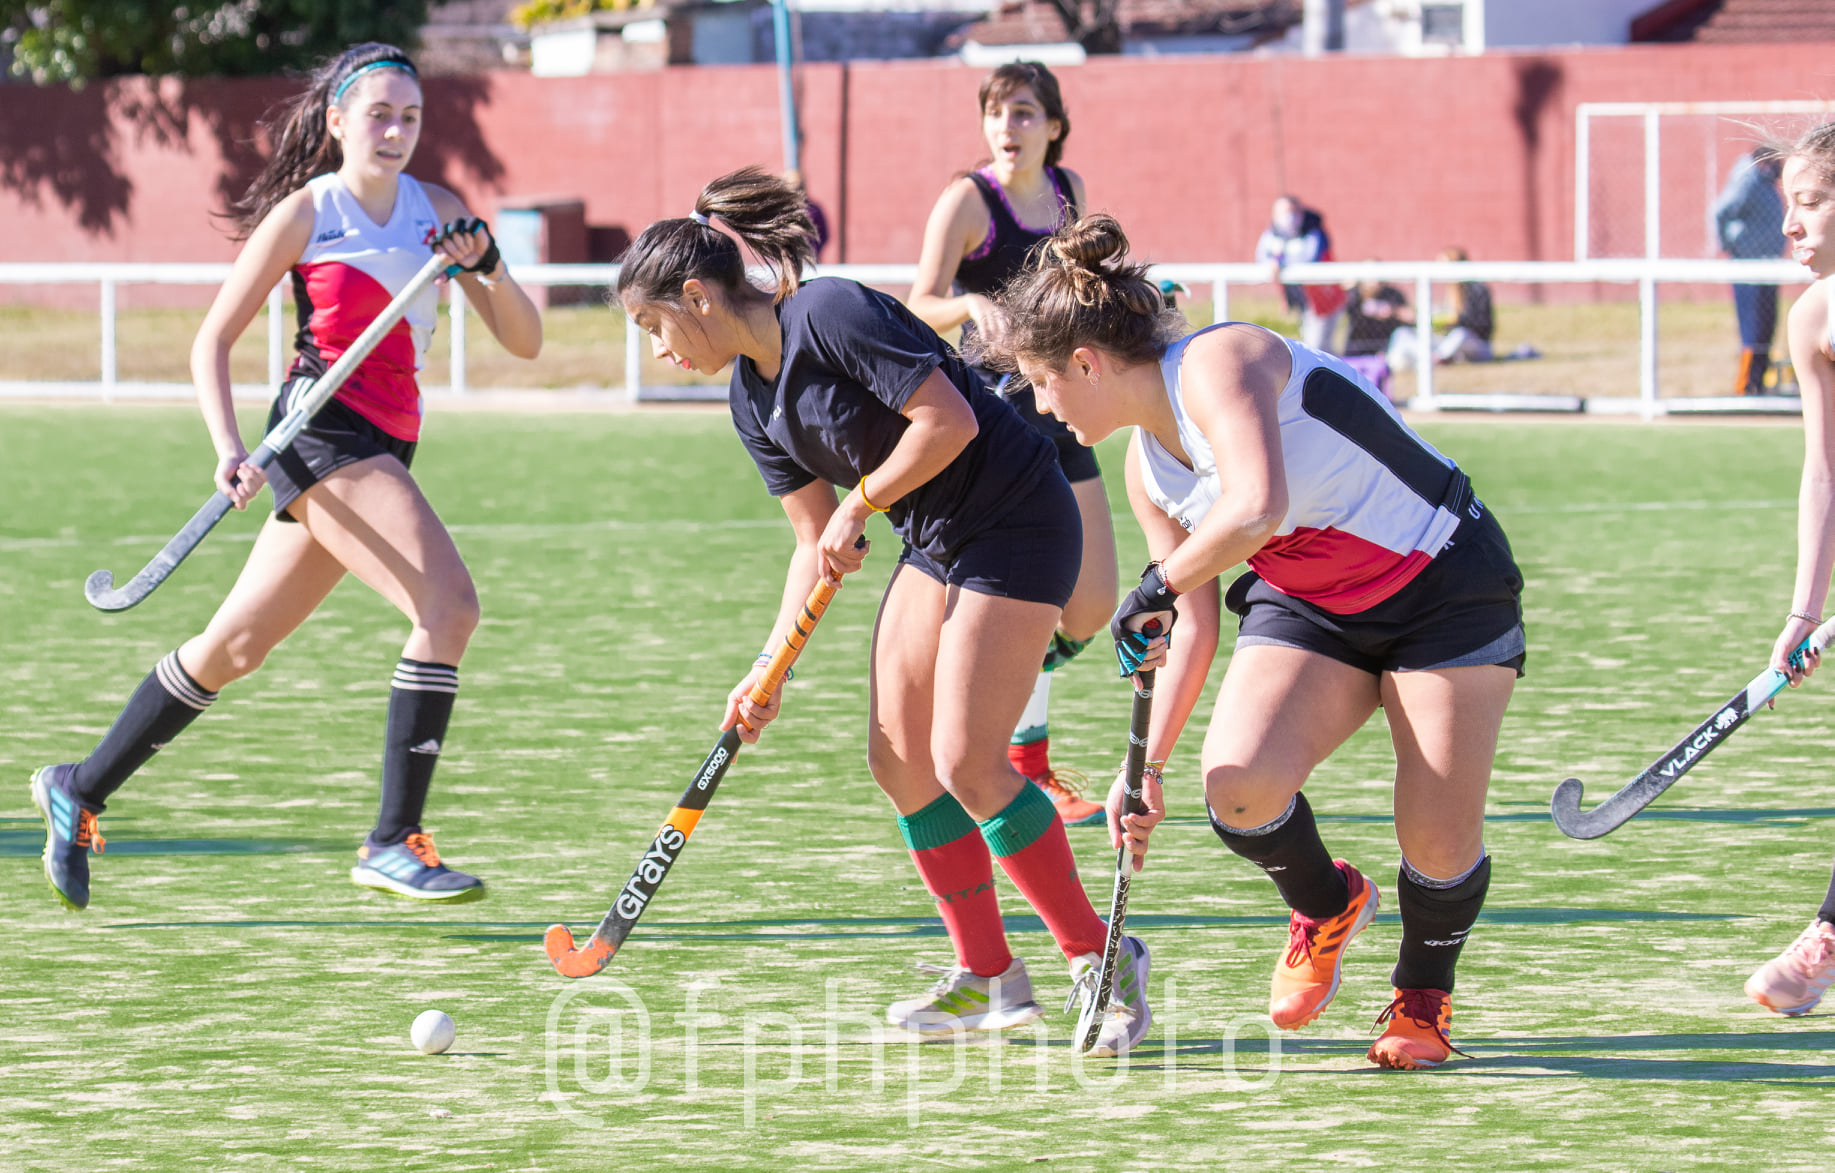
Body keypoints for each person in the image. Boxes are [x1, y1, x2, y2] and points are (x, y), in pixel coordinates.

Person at [614, 167, 1150, 1056]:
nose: (659, 348)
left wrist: (864, 502)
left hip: (1016, 517)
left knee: (967, 759)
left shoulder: (829, 312)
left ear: (697, 296)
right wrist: (767, 666)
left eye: (653, 326)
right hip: (936, 539)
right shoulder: (750, 397)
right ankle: (988, 977)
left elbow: (948, 424)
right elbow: (810, 539)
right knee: (900, 761)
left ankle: (1102, 955)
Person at [982, 214, 1525, 1070]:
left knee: (1435, 840)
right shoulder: (1144, 471)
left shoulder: (1218, 362)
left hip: (1443, 587)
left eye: (1041, 383)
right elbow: (1190, 622)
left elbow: (1254, 506)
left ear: (1085, 362)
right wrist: (1143, 771)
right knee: (1237, 786)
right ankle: (1328, 901)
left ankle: (1422, 993)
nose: (1041, 406)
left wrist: (1153, 585)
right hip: (1312, 602)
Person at [29, 43, 543, 911]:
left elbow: (525, 341)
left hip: (386, 442)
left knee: (232, 648)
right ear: (337, 119)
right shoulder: (310, 213)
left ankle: (78, 785)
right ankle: (393, 839)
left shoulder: (441, 213)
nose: (395, 131)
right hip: (321, 435)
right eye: (378, 113)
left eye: (410, 117)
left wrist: (485, 263)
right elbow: (212, 341)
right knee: (448, 607)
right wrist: (226, 445)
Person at [909, 61, 1118, 828]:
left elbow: (1079, 288)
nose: (1008, 127)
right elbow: (916, 303)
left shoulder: (1068, 193)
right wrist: (965, 299)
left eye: (1025, 113)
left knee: (1090, 603)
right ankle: (1020, 765)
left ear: (1053, 126)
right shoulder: (967, 199)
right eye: (996, 113)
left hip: (1059, 404)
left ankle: (982, 709)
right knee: (1020, 603)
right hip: (991, 424)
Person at [1745, 123, 1835, 1014]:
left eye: (1808, 203)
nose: (1792, 228)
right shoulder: (1813, 317)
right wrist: (1802, 613)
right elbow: (1824, 470)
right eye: (1789, 207)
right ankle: (1829, 936)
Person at [1714, 149, 1787, 396]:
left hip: (1767, 265)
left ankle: (1759, 383)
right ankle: (1746, 385)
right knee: (1753, 327)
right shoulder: (1747, 178)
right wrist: (1728, 244)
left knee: (1768, 324)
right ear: (1766, 160)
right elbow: (1721, 210)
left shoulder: (1765, 182)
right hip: (1749, 265)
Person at [1254, 195, 1347, 355]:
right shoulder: (1273, 233)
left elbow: (1310, 259)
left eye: (1291, 212)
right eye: (1281, 212)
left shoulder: (1314, 231)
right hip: (1302, 300)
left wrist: (1281, 261)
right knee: (1316, 347)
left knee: (1317, 347)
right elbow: (1262, 256)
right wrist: (1273, 261)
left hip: (1323, 300)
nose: (1287, 217)